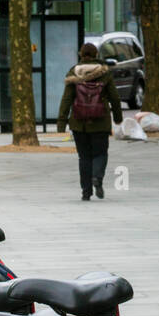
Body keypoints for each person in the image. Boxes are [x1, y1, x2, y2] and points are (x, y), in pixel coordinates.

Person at [57, 40, 123, 201]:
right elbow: (114, 97)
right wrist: (118, 117)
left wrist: (62, 122)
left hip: (79, 123)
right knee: (100, 153)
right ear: (96, 55)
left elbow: (67, 99)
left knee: (84, 157)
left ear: (81, 55)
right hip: (100, 121)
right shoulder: (104, 72)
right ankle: (97, 178)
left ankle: (86, 192)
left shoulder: (74, 72)